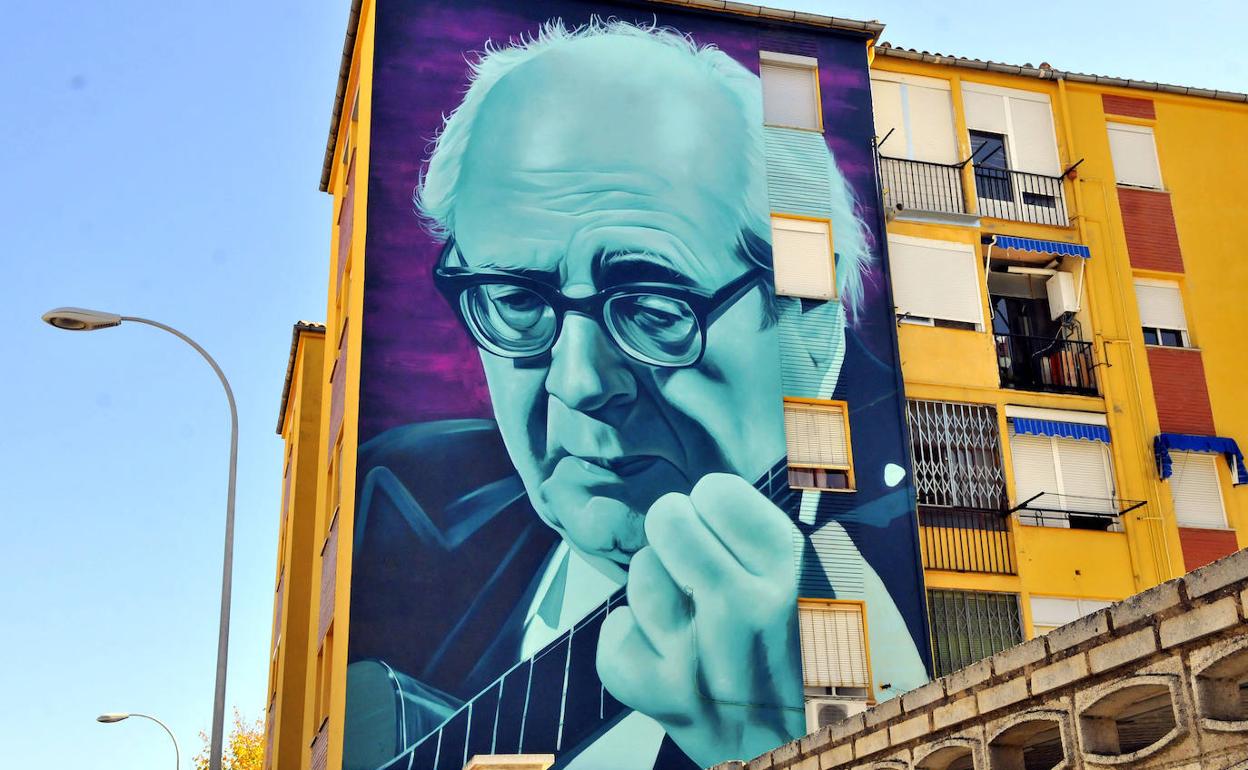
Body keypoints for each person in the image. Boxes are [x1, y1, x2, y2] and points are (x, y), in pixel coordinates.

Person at [345, 19, 926, 770]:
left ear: (805, 317)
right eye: (516, 302)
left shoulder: (894, 561)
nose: (580, 382)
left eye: (654, 308)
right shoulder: (395, 492)